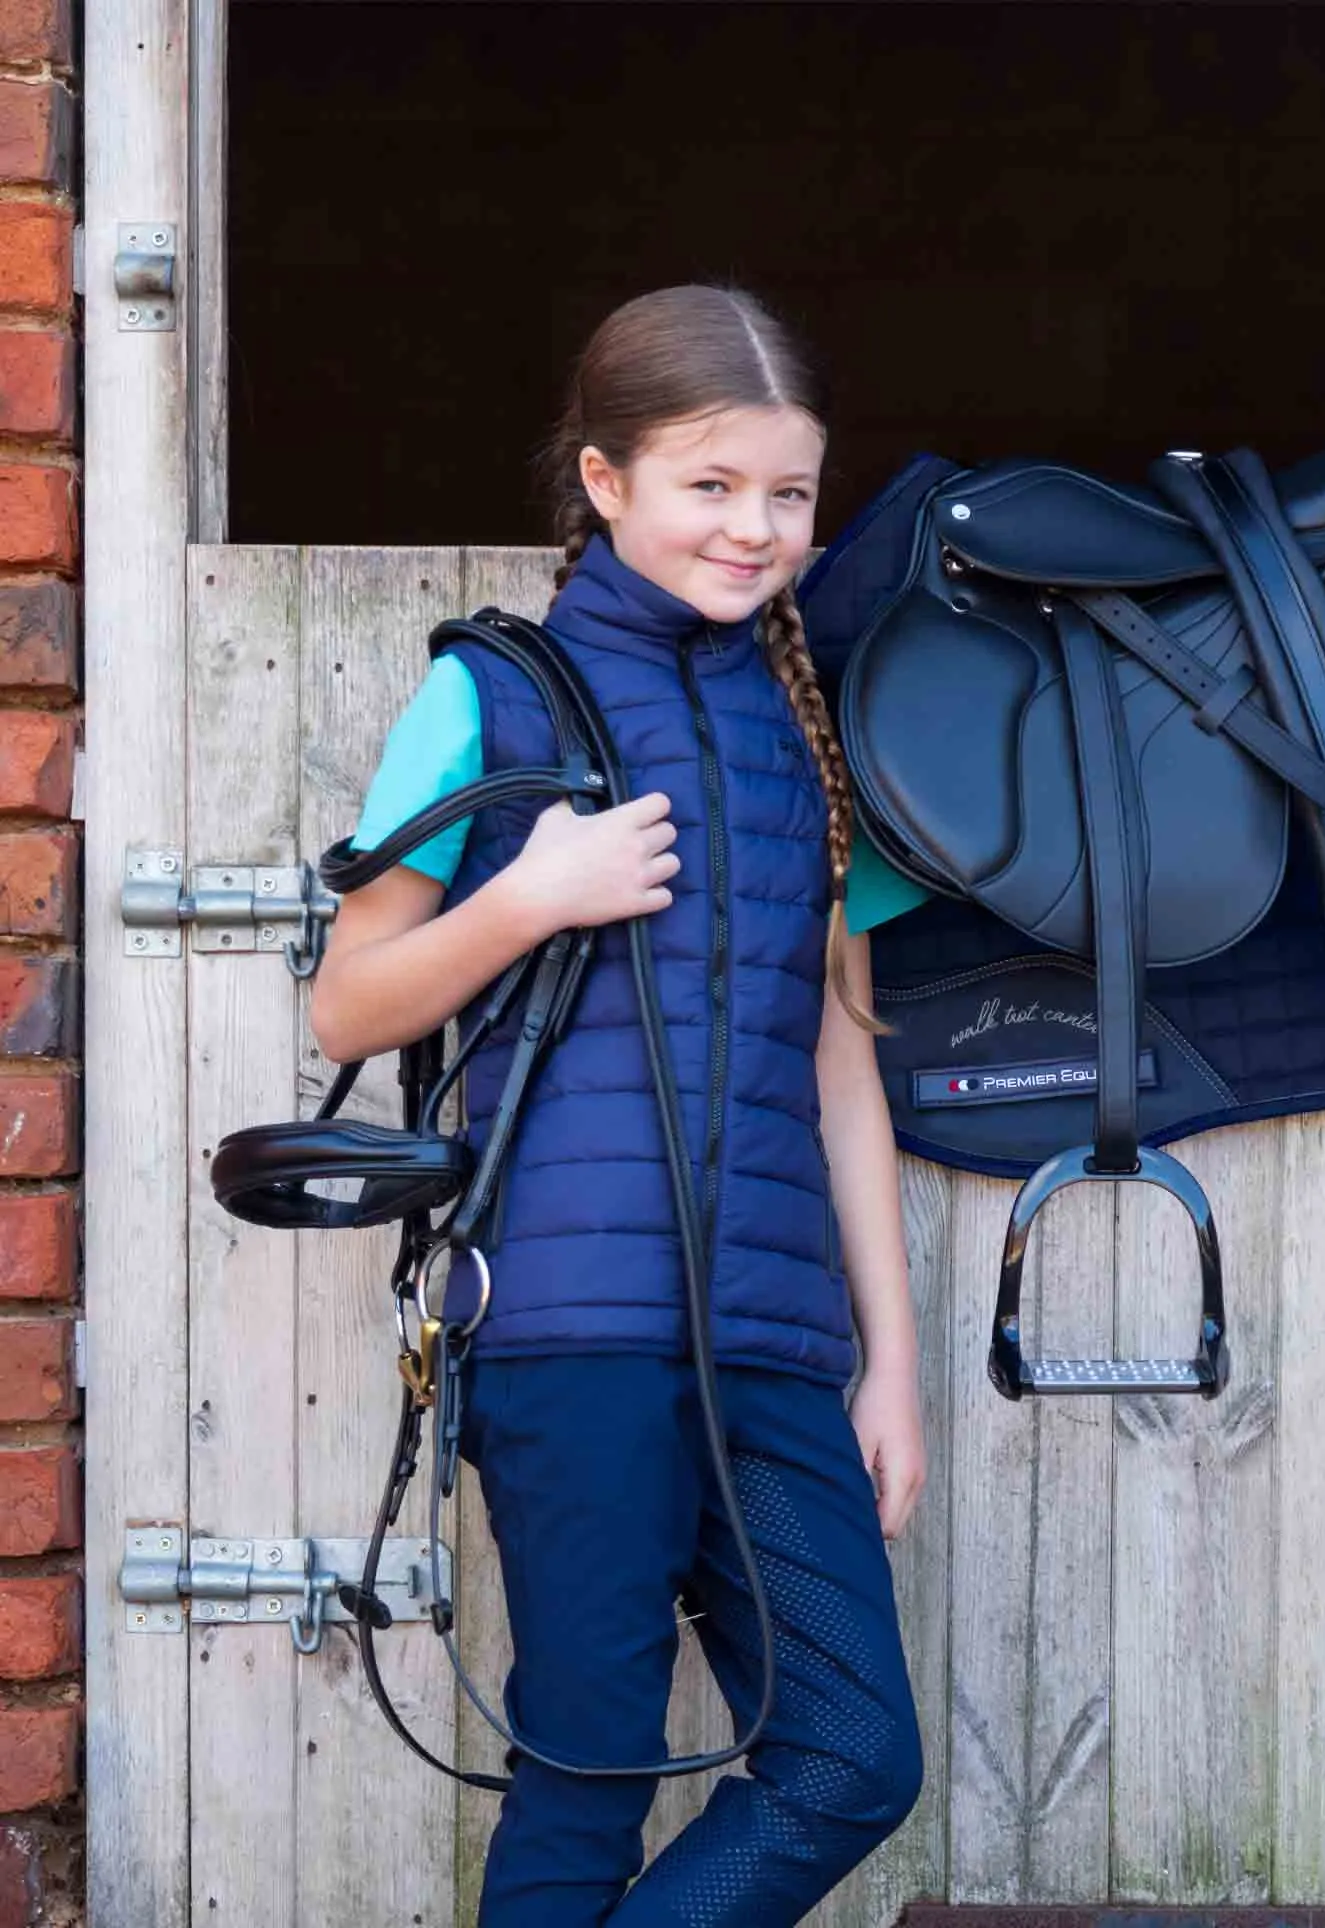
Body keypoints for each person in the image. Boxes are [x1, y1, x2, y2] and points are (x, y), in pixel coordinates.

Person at [307, 284, 926, 1927]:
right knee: (584, 1772)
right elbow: (346, 1000)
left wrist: (896, 1363)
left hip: (776, 1352)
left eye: (788, 493)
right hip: (572, 1340)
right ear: (605, 484)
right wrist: (535, 893)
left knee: (854, 1754)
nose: (756, 528)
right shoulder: (489, 698)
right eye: (709, 488)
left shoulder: (809, 724)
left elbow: (837, 1054)